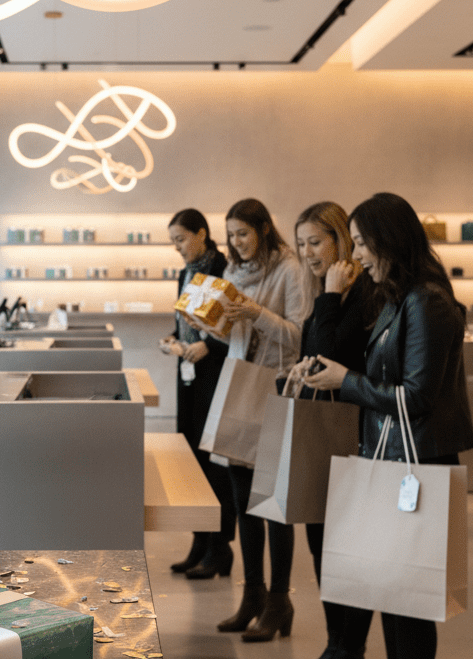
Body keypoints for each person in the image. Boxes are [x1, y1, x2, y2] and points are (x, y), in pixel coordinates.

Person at [305, 192, 473, 659]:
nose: (357, 254)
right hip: (394, 459)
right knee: (395, 595)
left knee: (409, 603)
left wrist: (347, 381)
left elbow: (416, 396)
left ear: (389, 240)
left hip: (415, 464)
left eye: (362, 243)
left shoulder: (426, 301)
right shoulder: (401, 298)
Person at [214, 198, 307, 642]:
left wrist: (256, 313)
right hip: (239, 388)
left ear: (264, 229)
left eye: (243, 233)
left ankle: (279, 599)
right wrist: (213, 324)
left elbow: (299, 336)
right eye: (231, 235)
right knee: (243, 501)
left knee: (273, 504)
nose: (236, 242)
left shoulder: (289, 269)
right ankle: (252, 594)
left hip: (274, 388)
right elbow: (233, 336)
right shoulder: (232, 273)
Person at [286, 202, 373, 659]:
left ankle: (348, 644)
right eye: (302, 244)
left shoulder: (359, 293)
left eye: (316, 242)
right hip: (325, 430)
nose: (308, 253)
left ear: (341, 241)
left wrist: (332, 295)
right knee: (320, 538)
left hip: (355, 433)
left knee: (347, 543)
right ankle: (336, 640)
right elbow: (316, 356)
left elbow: (331, 354)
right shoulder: (324, 291)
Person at [160, 208, 236, 578]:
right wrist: (173, 340)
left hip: (214, 374)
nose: (178, 247)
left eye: (181, 239)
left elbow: (231, 328)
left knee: (214, 461)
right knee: (192, 458)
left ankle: (220, 547)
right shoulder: (185, 273)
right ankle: (200, 542)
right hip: (188, 374)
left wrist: (208, 344)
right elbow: (183, 323)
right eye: (173, 241)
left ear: (201, 233)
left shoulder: (224, 269)